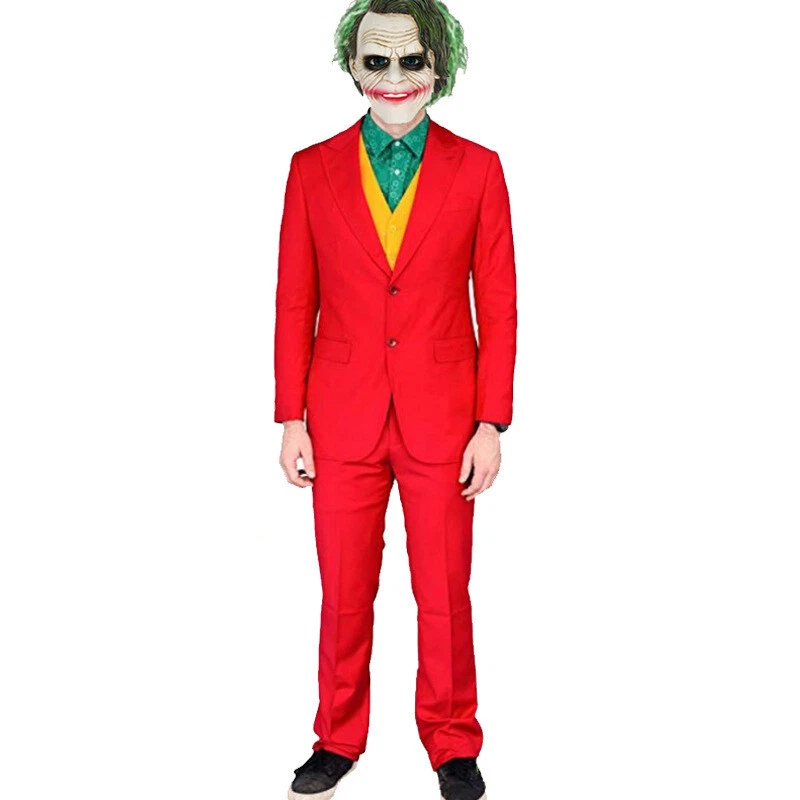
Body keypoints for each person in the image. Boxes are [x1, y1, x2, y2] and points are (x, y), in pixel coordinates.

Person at [274, 1, 517, 797]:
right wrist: (290, 417)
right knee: (343, 593)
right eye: (375, 62)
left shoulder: (479, 169)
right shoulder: (310, 169)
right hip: (337, 416)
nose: (393, 79)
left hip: (444, 419)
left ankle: (452, 742)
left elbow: (499, 304)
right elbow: (294, 300)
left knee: (444, 591)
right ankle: (337, 738)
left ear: (439, 65)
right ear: (352, 67)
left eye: (411, 61)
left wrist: (491, 421)